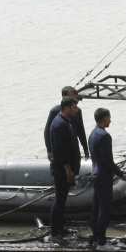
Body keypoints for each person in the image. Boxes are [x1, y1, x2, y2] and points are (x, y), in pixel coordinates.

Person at [47, 97, 82, 239]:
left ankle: (60, 227)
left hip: (66, 168)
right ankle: (54, 231)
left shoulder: (66, 122)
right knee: (59, 200)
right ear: (66, 108)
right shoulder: (59, 124)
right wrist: (68, 169)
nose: (76, 110)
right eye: (74, 107)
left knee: (62, 200)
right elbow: (59, 150)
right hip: (61, 169)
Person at [87, 108, 118, 247]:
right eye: (109, 117)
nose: (110, 120)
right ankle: (102, 241)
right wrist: (121, 174)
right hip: (103, 176)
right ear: (104, 118)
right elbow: (108, 162)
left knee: (96, 208)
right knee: (106, 209)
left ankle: (95, 237)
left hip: (95, 173)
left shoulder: (93, 134)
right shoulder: (105, 136)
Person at [44, 86, 89, 159]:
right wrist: (49, 150)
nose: (75, 100)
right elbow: (47, 132)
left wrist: (85, 148)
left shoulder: (77, 111)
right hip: (60, 149)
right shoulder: (55, 112)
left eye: (76, 98)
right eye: (72, 98)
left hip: (73, 147)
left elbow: (80, 130)